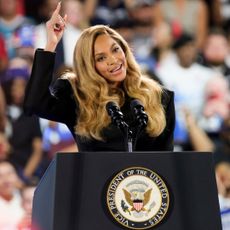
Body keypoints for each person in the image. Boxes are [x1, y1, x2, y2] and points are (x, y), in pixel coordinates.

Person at [24, 2, 175, 152]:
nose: (113, 60)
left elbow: (166, 161)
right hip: (95, 176)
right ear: (89, 66)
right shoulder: (77, 96)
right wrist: (51, 44)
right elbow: (34, 105)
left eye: (115, 49)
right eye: (101, 58)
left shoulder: (159, 96)